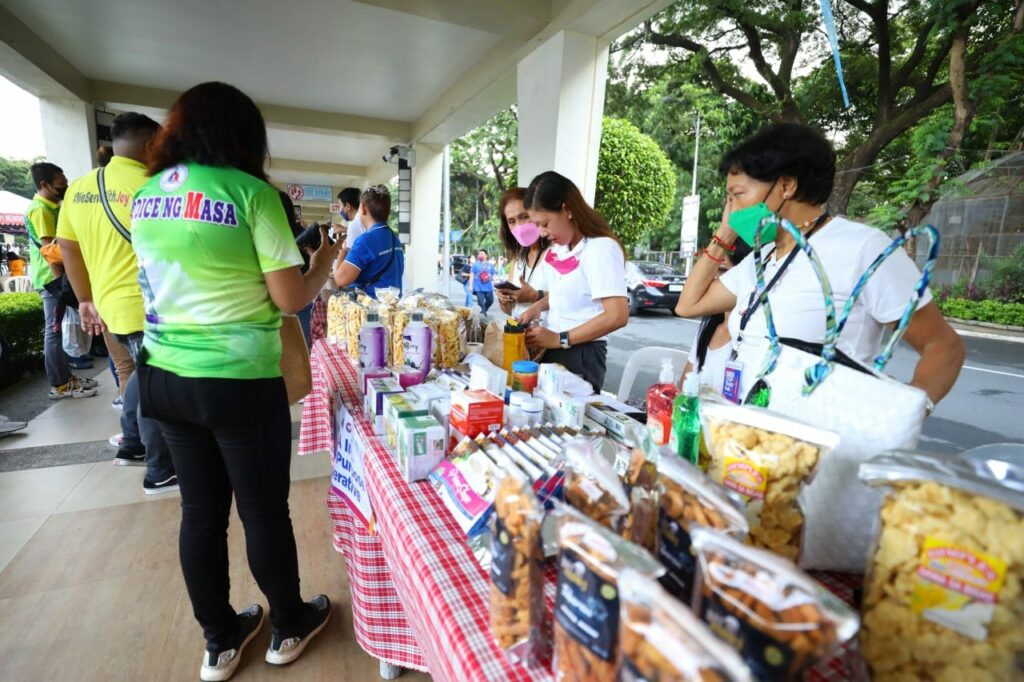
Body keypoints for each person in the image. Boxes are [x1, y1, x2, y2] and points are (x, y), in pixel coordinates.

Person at [132, 82, 335, 682]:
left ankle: (219, 641)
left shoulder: (146, 195)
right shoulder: (252, 194)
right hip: (238, 382)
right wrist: (321, 264)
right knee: (263, 510)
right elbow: (290, 298)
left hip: (163, 375)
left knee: (200, 513)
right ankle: (289, 625)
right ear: (245, 135)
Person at [675, 123, 965, 405]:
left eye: (737, 196)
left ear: (786, 185)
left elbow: (943, 347)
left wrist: (905, 417)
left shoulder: (863, 248)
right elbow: (688, 305)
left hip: (821, 435)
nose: (731, 210)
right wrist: (725, 233)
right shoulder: (760, 259)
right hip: (749, 430)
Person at [57, 112, 177, 492]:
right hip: (150, 305)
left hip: (108, 306)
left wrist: (85, 299)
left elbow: (67, 246)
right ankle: (160, 470)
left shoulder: (80, 187)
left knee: (140, 375)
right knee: (156, 385)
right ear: (151, 144)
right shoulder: (156, 185)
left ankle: (132, 443)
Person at [518, 171, 629, 392]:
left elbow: (617, 315)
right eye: (537, 225)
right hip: (554, 348)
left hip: (581, 353)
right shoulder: (561, 249)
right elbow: (568, 292)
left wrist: (560, 339)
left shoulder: (600, 248)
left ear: (567, 210)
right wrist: (537, 307)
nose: (541, 233)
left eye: (545, 223)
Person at [24, 161, 97, 399]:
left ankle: (66, 377)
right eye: (60, 184)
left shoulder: (52, 206)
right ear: (44, 184)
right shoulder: (41, 210)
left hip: (58, 278)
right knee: (54, 332)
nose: (64, 187)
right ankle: (59, 384)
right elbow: (51, 252)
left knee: (58, 330)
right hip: (51, 281)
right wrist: (63, 286)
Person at [681, 240, 751, 389]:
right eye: (708, 274)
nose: (711, 281)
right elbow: (683, 387)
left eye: (722, 271)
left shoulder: (752, 335)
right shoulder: (708, 326)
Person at [333, 185, 404, 297]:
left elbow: (340, 280)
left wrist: (342, 253)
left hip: (371, 305)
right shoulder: (394, 239)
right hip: (392, 304)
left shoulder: (365, 241)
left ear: (363, 208)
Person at [494, 187, 551, 319]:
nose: (519, 226)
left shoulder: (557, 252)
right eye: (511, 221)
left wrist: (535, 296)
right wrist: (504, 299)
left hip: (550, 331)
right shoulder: (517, 258)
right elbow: (510, 310)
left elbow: (571, 298)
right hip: (518, 330)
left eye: (524, 217)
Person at [334, 186, 364, 261]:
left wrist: (342, 252)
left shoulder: (353, 224)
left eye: (340, 205)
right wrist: (344, 229)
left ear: (347, 206)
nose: (339, 210)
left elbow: (350, 256)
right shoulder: (363, 218)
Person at [470, 248, 496, 314]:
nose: (480, 255)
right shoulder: (475, 265)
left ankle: (483, 311)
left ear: (486, 256)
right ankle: (484, 315)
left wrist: (496, 284)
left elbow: (494, 275)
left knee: (490, 300)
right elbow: (472, 275)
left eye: (481, 254)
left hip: (488, 287)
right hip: (478, 287)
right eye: (479, 254)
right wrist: (471, 286)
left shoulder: (490, 265)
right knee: (481, 302)